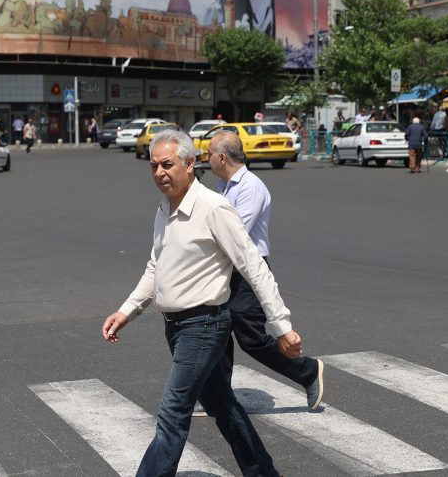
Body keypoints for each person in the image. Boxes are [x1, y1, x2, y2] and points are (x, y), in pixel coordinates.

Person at [101, 131, 301, 476]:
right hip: (176, 327)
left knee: (173, 411)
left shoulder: (214, 208)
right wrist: (126, 310)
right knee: (223, 407)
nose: (159, 173)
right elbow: (156, 266)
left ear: (190, 164)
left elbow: (253, 267)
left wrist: (281, 325)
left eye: (167, 164)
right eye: (154, 166)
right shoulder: (164, 209)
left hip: (204, 325)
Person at [203, 132, 323, 412]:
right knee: (219, 330)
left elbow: (235, 233)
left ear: (222, 157)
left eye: (209, 154)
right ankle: (219, 399)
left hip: (249, 271)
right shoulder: (224, 185)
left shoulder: (250, 188)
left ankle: (307, 370)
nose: (206, 159)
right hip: (228, 268)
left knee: (251, 338)